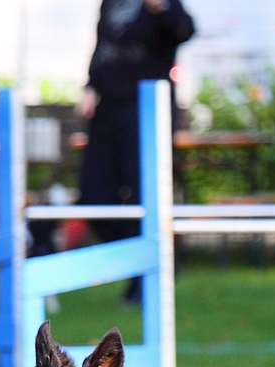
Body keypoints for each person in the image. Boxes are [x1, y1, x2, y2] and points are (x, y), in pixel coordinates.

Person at [76, 0, 195, 305]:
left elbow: (185, 30)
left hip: (146, 111)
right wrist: (91, 85)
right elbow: (103, 47)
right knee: (93, 198)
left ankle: (145, 276)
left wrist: (161, 9)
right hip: (107, 110)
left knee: (145, 196)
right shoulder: (110, 3)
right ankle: (147, 260)